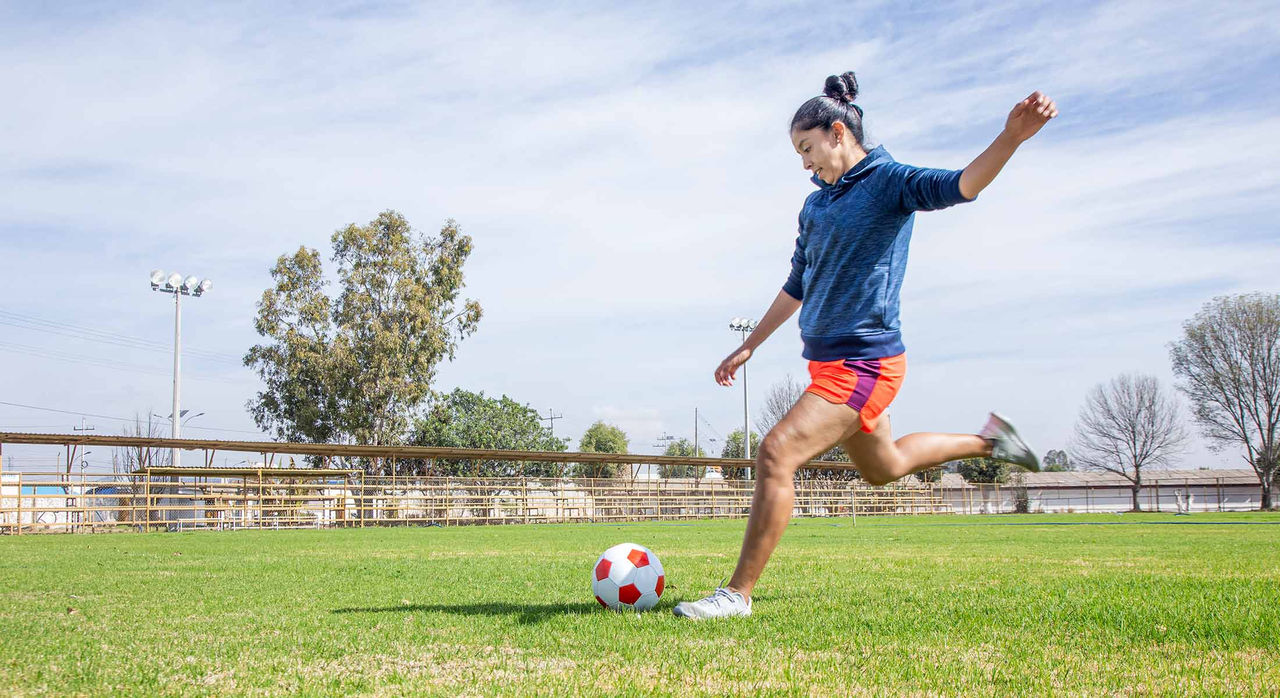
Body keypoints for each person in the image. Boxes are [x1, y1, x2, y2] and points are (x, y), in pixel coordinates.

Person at [673, 72, 1057, 620]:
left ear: (836, 133)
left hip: (866, 364)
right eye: (798, 155)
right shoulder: (816, 208)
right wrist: (750, 345)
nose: (805, 164)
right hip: (830, 365)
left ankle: (736, 597)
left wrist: (1011, 138)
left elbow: (963, 184)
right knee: (886, 466)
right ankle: (990, 442)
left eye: (807, 149)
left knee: (776, 453)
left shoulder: (889, 181)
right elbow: (798, 283)